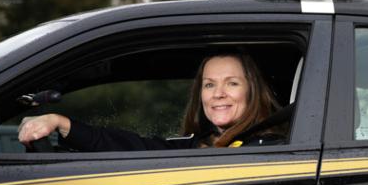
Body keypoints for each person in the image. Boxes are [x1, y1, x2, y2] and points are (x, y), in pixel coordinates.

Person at [17, 51, 287, 151]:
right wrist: (62, 123)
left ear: (252, 91)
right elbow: (135, 147)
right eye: (209, 84)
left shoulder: (269, 150)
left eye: (232, 83)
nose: (218, 93)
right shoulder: (200, 144)